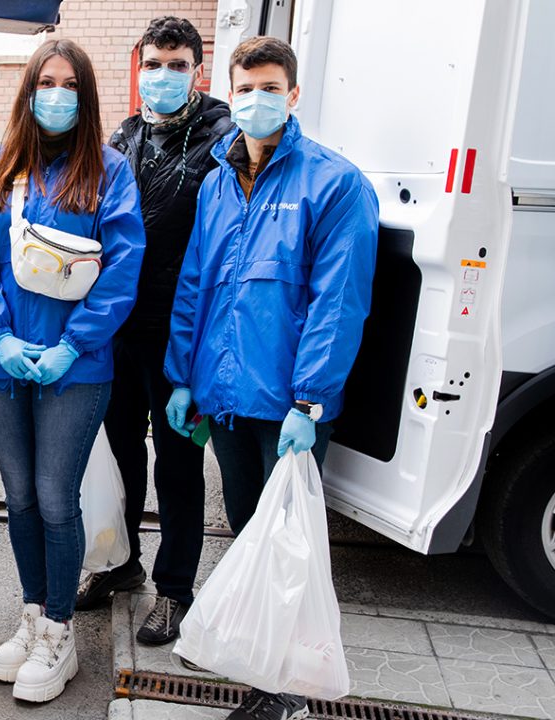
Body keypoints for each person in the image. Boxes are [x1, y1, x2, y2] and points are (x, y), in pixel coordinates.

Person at [164, 36, 378, 720]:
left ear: (292, 94)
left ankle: (287, 691)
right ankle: (257, 653)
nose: (256, 98)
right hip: (227, 397)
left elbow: (337, 302)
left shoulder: (334, 183)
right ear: (230, 91)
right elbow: (196, 285)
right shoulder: (217, 183)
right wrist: (184, 379)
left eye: (269, 87)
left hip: (289, 405)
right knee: (248, 526)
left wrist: (311, 400)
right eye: (245, 87)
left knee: (289, 548)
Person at [0, 39, 145, 704]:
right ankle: (34, 613)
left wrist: (74, 343)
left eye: (70, 83)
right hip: (3, 363)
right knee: (18, 499)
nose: (58, 94)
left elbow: (123, 269)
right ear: (29, 91)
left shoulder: (110, 172)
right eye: (47, 81)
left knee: (54, 497)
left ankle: (60, 634)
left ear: (86, 96)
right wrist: (2, 336)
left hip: (77, 366)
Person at [77, 16, 235, 647]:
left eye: (177, 66)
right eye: (153, 66)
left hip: (182, 337)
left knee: (178, 467)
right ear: (137, 69)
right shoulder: (124, 135)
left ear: (197, 70)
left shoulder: (221, 141)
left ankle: (173, 591)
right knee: (120, 456)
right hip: (121, 330)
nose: (163, 77)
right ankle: (120, 565)